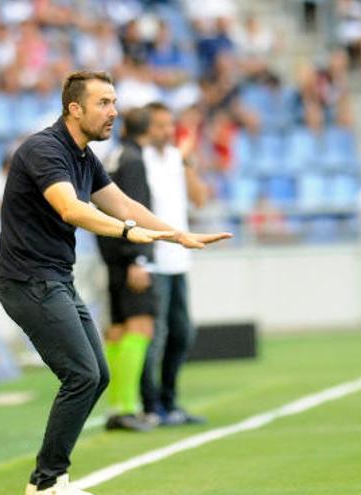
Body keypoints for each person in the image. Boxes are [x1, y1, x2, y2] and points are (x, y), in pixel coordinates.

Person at [0, 70, 231, 495]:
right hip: (28, 281)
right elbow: (71, 209)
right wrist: (126, 233)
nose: (114, 112)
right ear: (74, 108)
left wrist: (175, 233)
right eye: (104, 103)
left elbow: (121, 202)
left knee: (98, 375)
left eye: (114, 102)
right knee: (82, 375)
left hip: (55, 280)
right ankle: (46, 483)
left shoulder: (85, 156)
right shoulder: (43, 149)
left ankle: (49, 479)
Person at [140, 101, 211, 427]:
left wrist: (187, 164)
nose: (167, 131)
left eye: (170, 125)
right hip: (154, 259)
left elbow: (199, 199)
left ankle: (169, 400)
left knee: (182, 333)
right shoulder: (138, 159)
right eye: (160, 125)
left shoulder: (174, 159)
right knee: (154, 337)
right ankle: (150, 404)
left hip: (178, 259)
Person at [96, 108, 156, 432]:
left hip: (112, 253)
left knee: (118, 327)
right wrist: (139, 258)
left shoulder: (113, 156)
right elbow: (132, 209)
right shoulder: (133, 160)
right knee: (140, 326)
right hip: (130, 254)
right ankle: (129, 408)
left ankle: (118, 406)